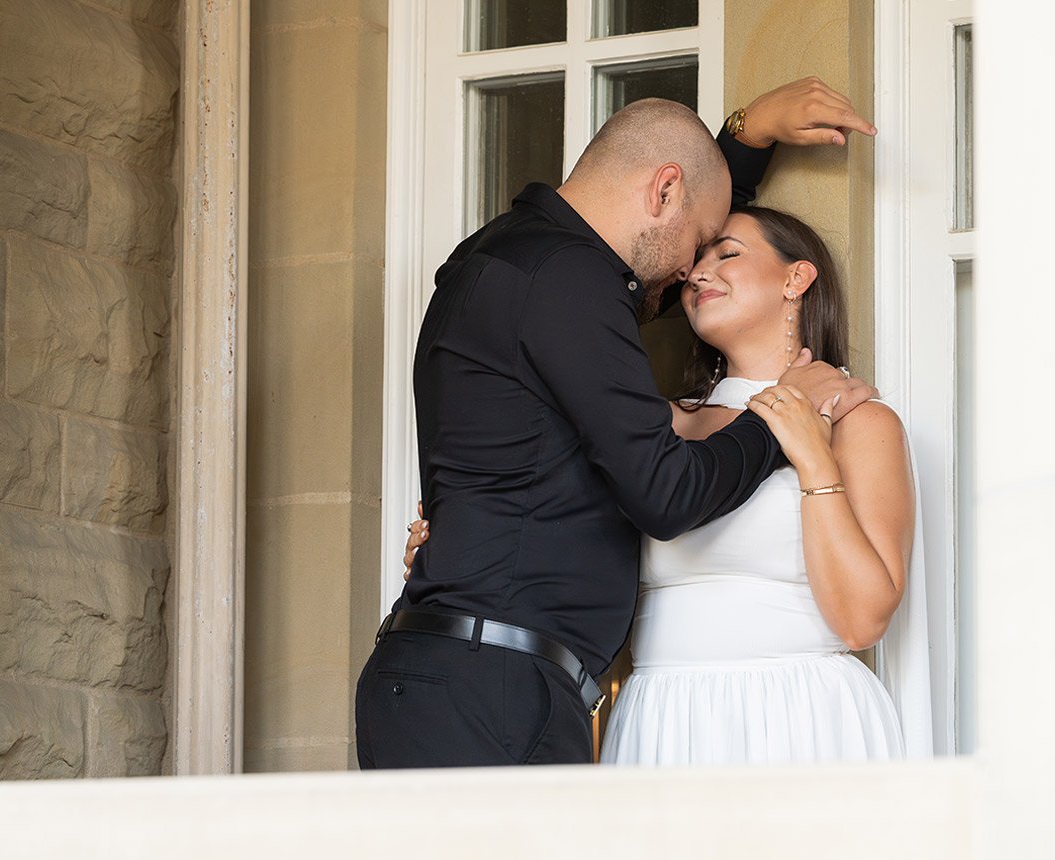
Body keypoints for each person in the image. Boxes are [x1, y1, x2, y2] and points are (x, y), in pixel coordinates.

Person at [356, 80, 879, 769]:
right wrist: (784, 410)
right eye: (699, 242)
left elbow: (673, 246)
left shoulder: (521, 260)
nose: (693, 272)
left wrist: (743, 139)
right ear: (661, 191)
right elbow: (665, 496)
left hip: (463, 674)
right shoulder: (563, 279)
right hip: (488, 688)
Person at [405, 206, 932, 765]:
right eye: (695, 261)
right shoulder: (659, 428)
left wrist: (810, 454)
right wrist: (453, 550)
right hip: (661, 722)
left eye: (726, 253)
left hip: (801, 717)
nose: (699, 273)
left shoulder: (859, 422)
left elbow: (863, 620)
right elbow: (544, 525)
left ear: (795, 279)